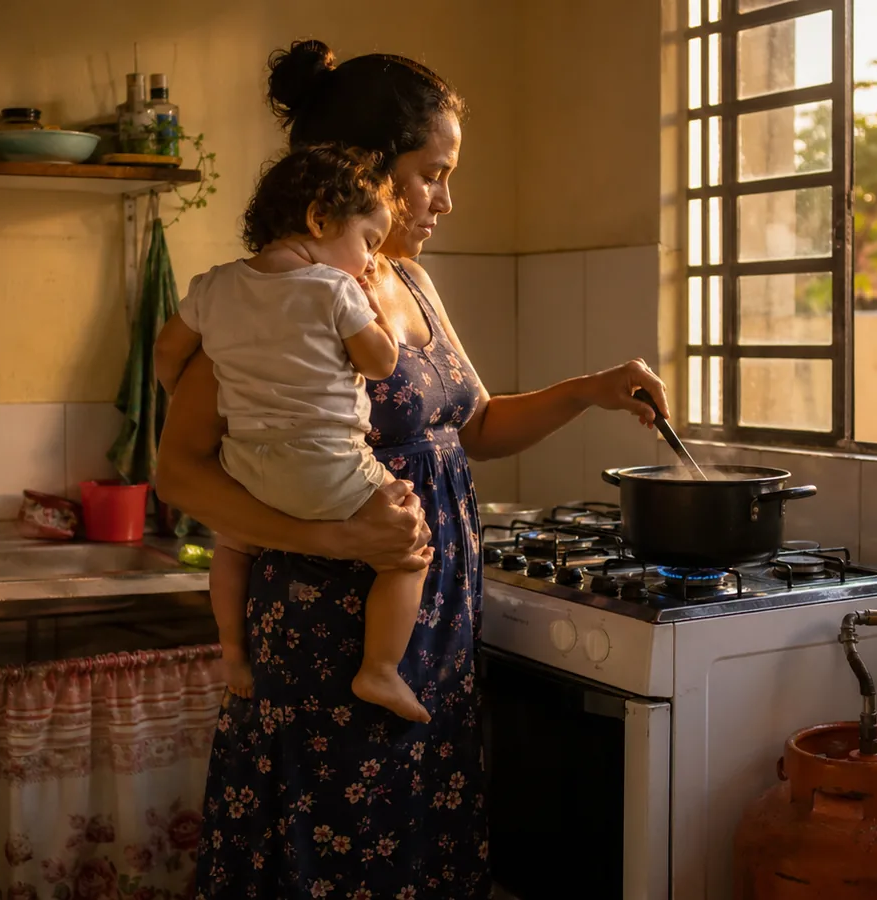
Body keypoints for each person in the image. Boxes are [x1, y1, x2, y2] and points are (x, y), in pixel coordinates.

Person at [155, 39, 668, 899]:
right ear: (364, 172)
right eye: (430, 173)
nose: (445, 199)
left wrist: (590, 389)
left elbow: (476, 427)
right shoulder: (279, 299)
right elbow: (179, 472)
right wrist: (326, 533)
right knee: (335, 851)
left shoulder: (411, 284)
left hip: (430, 632)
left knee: (419, 845)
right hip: (324, 631)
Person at [154, 143, 434, 723]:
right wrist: (375, 313)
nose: (367, 262)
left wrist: (176, 390)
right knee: (407, 543)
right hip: (328, 466)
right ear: (319, 219)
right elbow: (381, 364)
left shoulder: (214, 286)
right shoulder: (333, 290)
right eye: (368, 244)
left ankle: (233, 652)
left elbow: (167, 352)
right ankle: (380, 669)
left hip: (248, 467)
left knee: (233, 545)